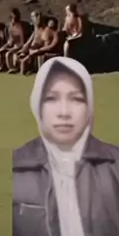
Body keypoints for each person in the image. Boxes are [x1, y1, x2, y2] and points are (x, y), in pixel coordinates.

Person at [12, 56, 119, 235]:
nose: (64, 112)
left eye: (76, 99)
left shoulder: (114, 166)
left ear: (89, 106)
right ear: (37, 105)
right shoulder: (16, 168)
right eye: (51, 98)